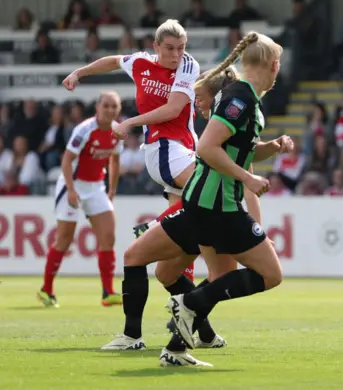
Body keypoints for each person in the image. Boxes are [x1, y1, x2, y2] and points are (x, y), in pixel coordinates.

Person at [115, 31, 288, 367]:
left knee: (193, 274)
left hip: (203, 204)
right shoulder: (240, 99)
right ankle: (190, 304)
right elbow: (207, 149)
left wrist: (272, 148)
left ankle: (175, 349)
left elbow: (236, 151)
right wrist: (248, 179)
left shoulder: (240, 97)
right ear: (273, 65)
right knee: (270, 274)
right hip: (217, 206)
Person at [61, 20, 210, 348]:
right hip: (160, 158)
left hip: (178, 153)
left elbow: (173, 108)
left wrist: (129, 122)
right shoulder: (141, 62)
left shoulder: (188, 65)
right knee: (186, 240)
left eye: (180, 48)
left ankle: (186, 332)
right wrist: (79, 73)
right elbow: (114, 60)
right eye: (169, 48)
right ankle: (199, 331)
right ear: (156, 47)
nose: (175, 55)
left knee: (178, 254)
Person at [37, 92, 123, 308]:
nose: (110, 110)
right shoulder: (85, 129)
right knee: (64, 239)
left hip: (96, 187)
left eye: (114, 106)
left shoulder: (118, 130)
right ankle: (46, 290)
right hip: (72, 185)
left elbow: (114, 160)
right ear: (98, 107)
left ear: (119, 109)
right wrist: (72, 190)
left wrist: (112, 189)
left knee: (108, 237)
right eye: (106, 106)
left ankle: (107, 292)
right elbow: (66, 160)